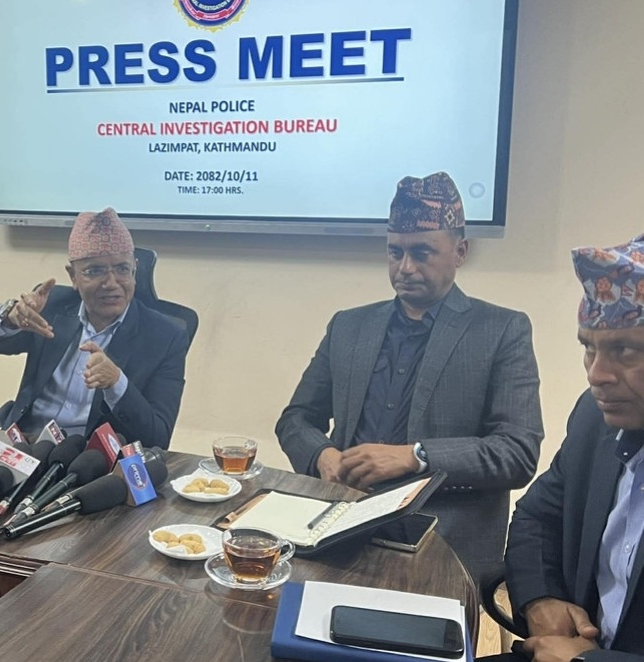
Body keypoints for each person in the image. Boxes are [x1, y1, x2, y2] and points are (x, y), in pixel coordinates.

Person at [275, 172, 543, 583]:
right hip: (340, 524)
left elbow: (517, 453)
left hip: (441, 539)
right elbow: (296, 419)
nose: (405, 267)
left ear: (460, 252)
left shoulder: (500, 330)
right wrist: (322, 456)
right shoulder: (349, 326)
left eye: (421, 252)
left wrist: (416, 455)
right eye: (394, 252)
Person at [503, 237, 644, 662]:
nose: (596, 375)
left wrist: (587, 661)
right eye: (589, 347)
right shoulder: (593, 419)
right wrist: (541, 598)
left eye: (624, 350)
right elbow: (536, 517)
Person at [0, 207, 188, 449]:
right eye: (95, 271)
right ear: (73, 276)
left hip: (88, 458)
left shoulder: (165, 336)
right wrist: (10, 317)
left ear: (134, 270)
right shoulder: (51, 304)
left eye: (122, 269)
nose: (111, 283)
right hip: (26, 443)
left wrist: (116, 383)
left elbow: (158, 437)